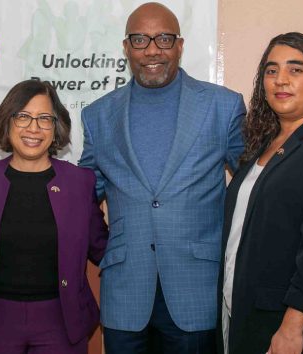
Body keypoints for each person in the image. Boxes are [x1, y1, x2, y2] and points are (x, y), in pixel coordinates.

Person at [79, 2, 246, 353]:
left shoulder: (223, 106)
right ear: (126, 47)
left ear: (180, 46)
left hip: (195, 290)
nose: (152, 49)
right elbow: (80, 198)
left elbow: (253, 186)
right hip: (125, 291)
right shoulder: (98, 115)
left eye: (164, 39)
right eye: (140, 39)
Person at [218, 32, 303, 354]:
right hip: (246, 314)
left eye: (296, 69)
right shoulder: (261, 147)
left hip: (293, 327)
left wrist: (293, 325)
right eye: (271, 70)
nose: (281, 80)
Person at [0, 79, 108, 354]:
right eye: (23, 117)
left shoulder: (80, 182)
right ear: (7, 123)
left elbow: (101, 247)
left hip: (62, 320)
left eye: (45, 118)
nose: (34, 128)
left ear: (56, 129)